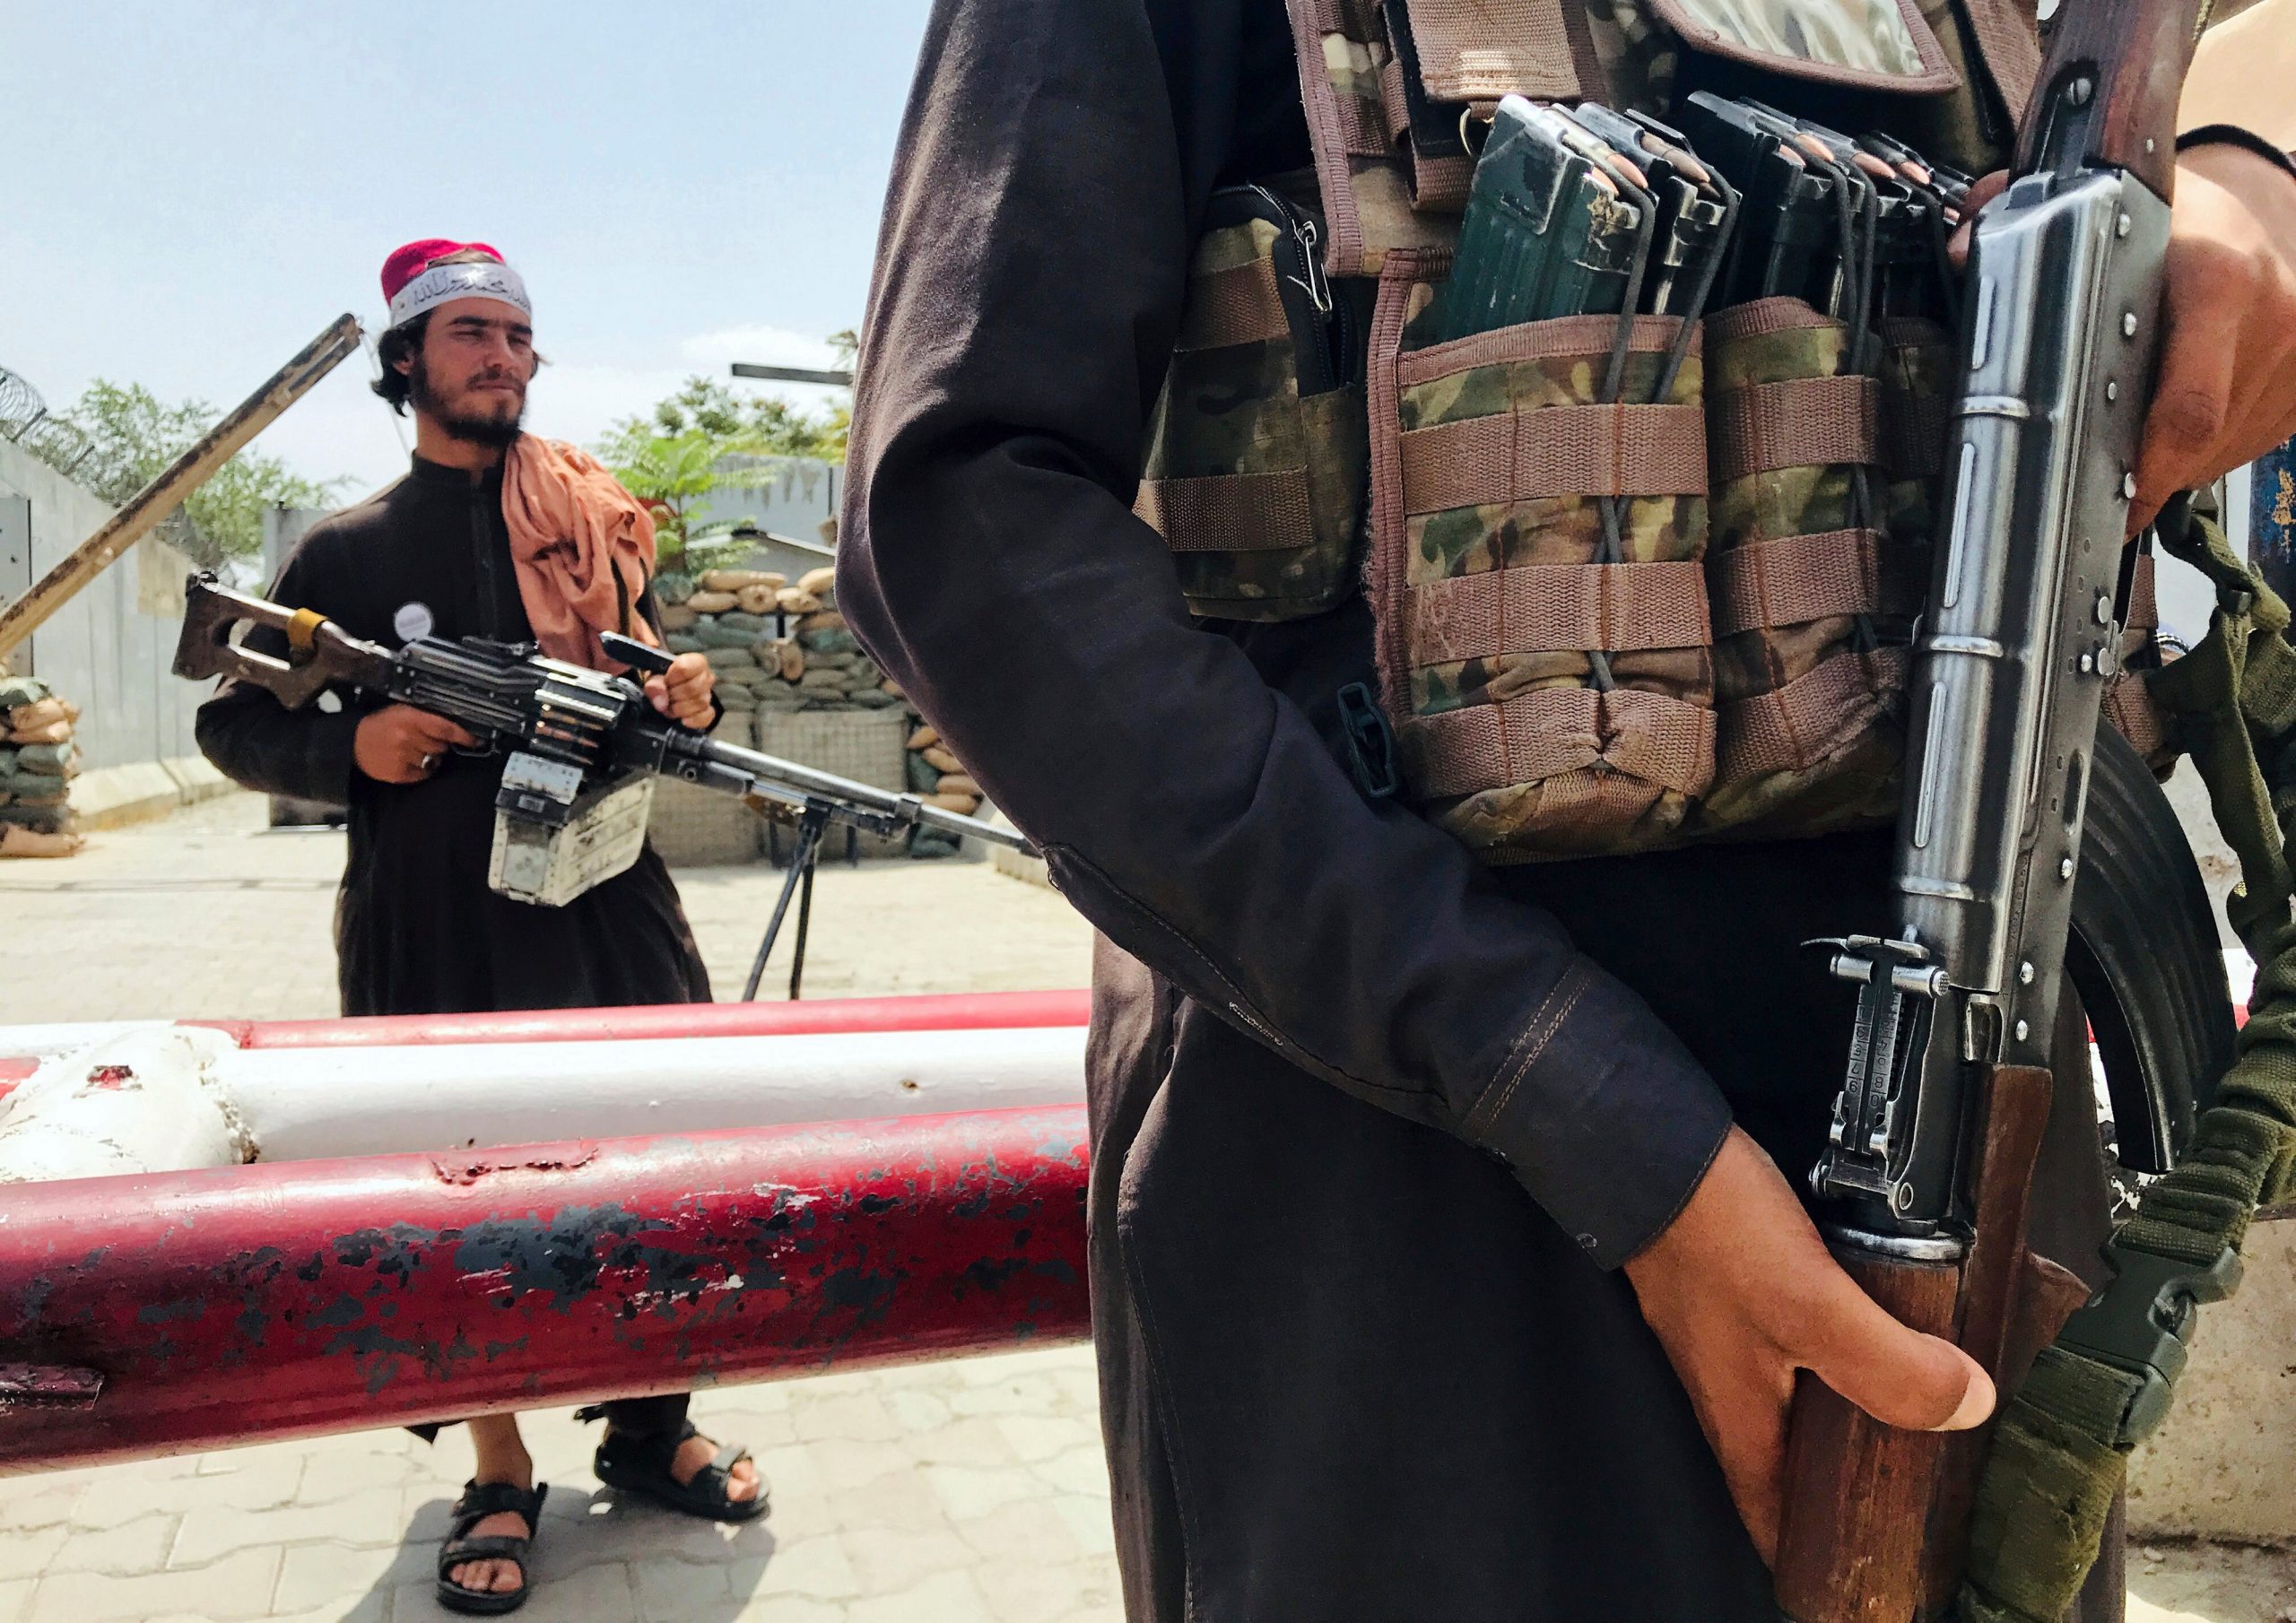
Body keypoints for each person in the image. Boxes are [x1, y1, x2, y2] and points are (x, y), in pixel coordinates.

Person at [836, 3, 2296, 1619]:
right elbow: (965, 527)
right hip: (1421, 1214)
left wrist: (2251, 180)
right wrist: (1592, 1114)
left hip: (1981, 1137)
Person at [196, 240, 767, 1614]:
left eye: (517, 336)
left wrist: (685, 699)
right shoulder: (342, 550)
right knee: (462, 1182)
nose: (501, 357)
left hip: (608, 902)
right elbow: (228, 721)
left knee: (651, 1152)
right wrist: (357, 747)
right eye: (469, 334)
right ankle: (499, 1463)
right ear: (407, 362)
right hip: (434, 922)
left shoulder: (585, 527)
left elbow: (640, 691)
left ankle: (646, 1425)